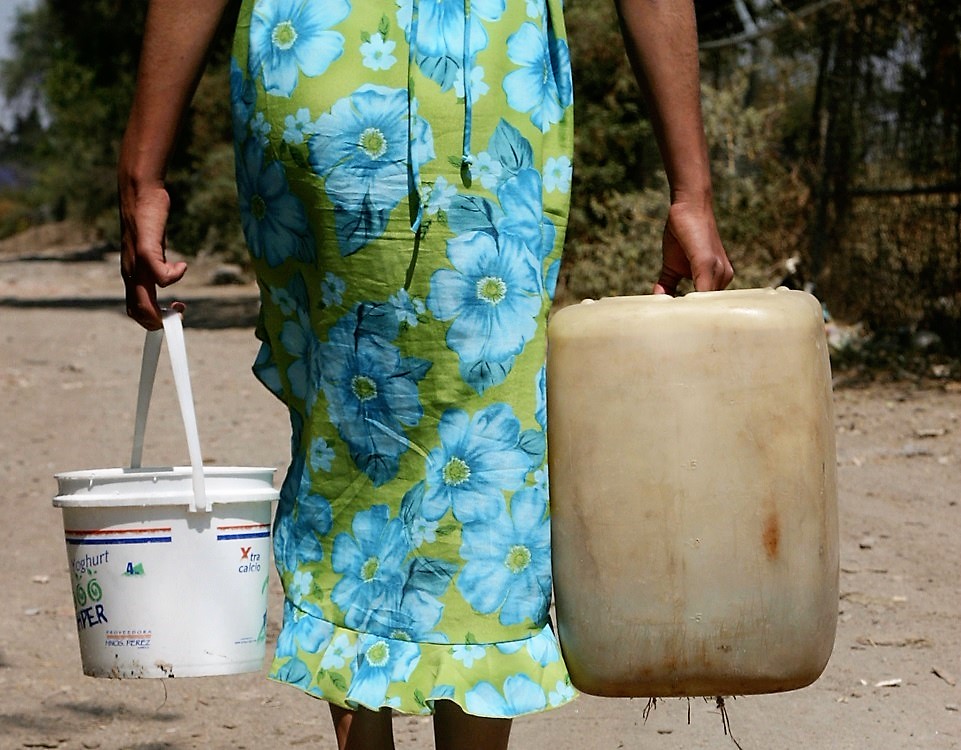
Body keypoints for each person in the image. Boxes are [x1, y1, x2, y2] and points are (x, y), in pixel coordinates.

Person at [118, 1, 733, 748]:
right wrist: (689, 192)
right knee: (487, 425)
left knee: (352, 431)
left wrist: (142, 172)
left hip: (322, 64)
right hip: (491, 71)